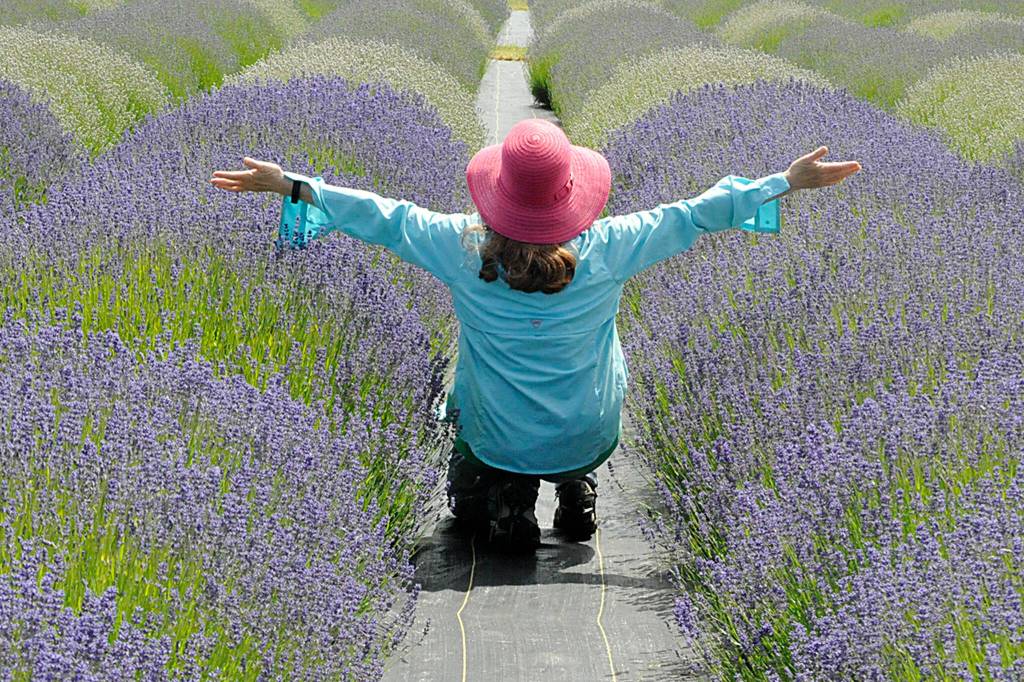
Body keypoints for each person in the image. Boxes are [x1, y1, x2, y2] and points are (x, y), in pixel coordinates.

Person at [210, 118, 861, 553]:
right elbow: (698, 214)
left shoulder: (460, 247)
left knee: (464, 493)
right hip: (588, 428)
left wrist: (290, 184)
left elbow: (381, 216)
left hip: (497, 432)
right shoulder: (610, 246)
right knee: (603, 371)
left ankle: (505, 499)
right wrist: (787, 181)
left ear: (499, 194)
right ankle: (576, 482)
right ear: (570, 193)